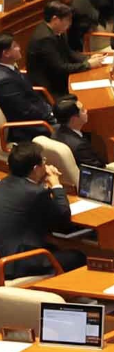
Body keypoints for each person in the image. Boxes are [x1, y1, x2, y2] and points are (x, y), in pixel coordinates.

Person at [0, 142, 80, 280]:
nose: (46, 165)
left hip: (5, 253)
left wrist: (41, 180)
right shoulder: (37, 193)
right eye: (43, 161)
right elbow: (63, 219)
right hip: (16, 263)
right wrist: (56, 184)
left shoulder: (3, 183)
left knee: (55, 247)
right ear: (36, 168)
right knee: (78, 256)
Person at [25, 0, 86, 98]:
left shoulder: (58, 31)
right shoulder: (45, 38)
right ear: (55, 19)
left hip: (60, 78)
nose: (70, 24)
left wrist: (87, 59)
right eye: (68, 20)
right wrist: (86, 65)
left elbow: (68, 52)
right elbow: (59, 68)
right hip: (51, 87)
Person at [0, 35, 53, 141]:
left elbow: (28, 96)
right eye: (15, 46)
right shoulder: (5, 81)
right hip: (28, 128)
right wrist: (49, 114)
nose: (19, 48)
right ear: (6, 53)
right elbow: (25, 111)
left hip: (38, 111)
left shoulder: (9, 67)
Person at [50, 97, 102, 174]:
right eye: (83, 110)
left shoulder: (55, 129)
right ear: (74, 119)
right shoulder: (80, 147)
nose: (86, 111)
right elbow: (98, 170)